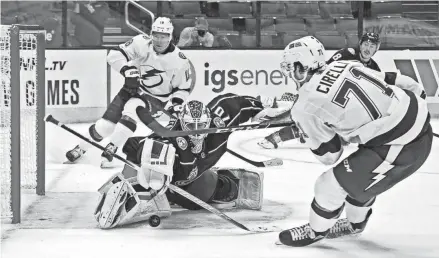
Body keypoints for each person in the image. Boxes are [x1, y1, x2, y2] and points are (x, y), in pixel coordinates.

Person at [275, 36, 431, 247]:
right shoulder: (345, 64)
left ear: (300, 66)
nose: (288, 73)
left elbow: (331, 155)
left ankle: (316, 230)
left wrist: (310, 133)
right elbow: (393, 79)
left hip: (402, 146)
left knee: (327, 186)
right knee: (358, 178)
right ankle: (355, 225)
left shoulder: (304, 107)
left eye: (289, 66)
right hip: (415, 121)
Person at [93, 93, 292, 228]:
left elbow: (236, 103)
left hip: (194, 177)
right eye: (190, 126)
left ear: (209, 120)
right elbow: (134, 145)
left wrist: (262, 108)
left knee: (228, 190)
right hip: (170, 181)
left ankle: (219, 179)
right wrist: (145, 162)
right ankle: (129, 188)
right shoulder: (169, 137)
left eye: (201, 125)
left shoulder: (219, 121)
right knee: (150, 177)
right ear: (181, 122)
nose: (197, 132)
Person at [65, 17, 194, 167]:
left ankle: (111, 149)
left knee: (131, 112)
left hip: (154, 100)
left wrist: (177, 103)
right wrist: (127, 71)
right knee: (104, 126)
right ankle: (81, 148)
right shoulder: (141, 42)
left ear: (170, 37)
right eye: (156, 35)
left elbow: (183, 88)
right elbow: (113, 55)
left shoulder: (180, 61)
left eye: (163, 37)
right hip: (130, 89)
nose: (159, 40)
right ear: (151, 34)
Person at [259, 32, 382, 149]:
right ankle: (275, 133)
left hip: (344, 105)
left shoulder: (375, 68)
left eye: (372, 46)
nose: (368, 48)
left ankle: (282, 120)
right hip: (326, 93)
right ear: (360, 44)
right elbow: (324, 68)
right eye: (366, 44)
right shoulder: (347, 54)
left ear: (376, 49)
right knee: (310, 118)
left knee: (326, 131)